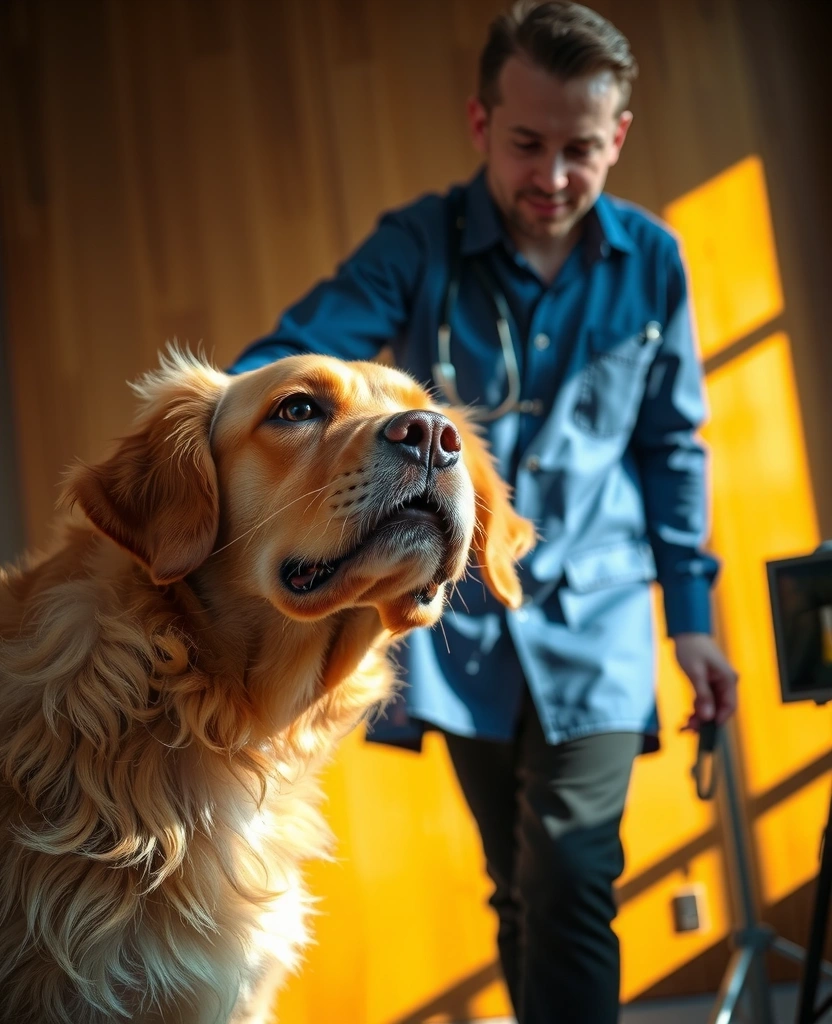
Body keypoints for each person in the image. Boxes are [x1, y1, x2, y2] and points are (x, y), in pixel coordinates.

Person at [229, 2, 739, 1020]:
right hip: (457, 625)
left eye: (580, 150)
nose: (551, 176)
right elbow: (285, 355)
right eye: (526, 145)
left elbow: (670, 447)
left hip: (595, 617)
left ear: (618, 138)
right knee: (517, 884)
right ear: (479, 125)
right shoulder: (416, 246)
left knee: (570, 872)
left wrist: (691, 622)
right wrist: (217, 423)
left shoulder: (651, 264)